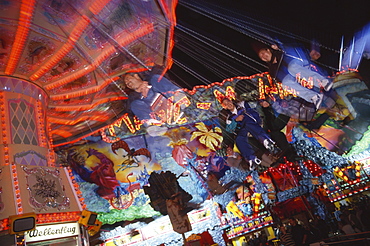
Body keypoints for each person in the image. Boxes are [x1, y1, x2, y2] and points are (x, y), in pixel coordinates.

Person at [254, 42, 333, 110]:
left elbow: (289, 47)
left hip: (297, 62)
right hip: (293, 74)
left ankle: (323, 82)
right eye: (262, 57)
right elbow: (281, 79)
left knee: (292, 68)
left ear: (268, 50)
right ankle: (314, 97)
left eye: (263, 53)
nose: (264, 56)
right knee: (285, 84)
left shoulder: (278, 51)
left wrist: (278, 47)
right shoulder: (272, 69)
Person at [220, 97, 280, 170]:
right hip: (245, 129)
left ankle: (266, 140)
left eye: (228, 101)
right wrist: (235, 120)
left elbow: (256, 104)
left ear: (231, 101)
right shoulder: (229, 118)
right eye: (226, 104)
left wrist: (263, 102)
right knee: (239, 139)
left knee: (246, 121)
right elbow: (229, 129)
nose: (228, 104)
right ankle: (251, 159)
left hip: (254, 123)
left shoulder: (242, 104)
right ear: (225, 107)